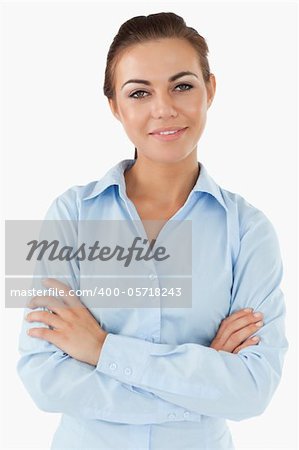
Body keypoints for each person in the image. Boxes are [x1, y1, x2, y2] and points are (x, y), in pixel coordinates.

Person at [17, 12, 288, 450]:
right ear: (115, 107)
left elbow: (253, 390)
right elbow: (43, 376)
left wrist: (102, 349)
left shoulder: (249, 230)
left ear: (210, 90)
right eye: (139, 92)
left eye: (182, 85)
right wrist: (201, 386)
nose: (164, 108)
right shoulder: (69, 214)